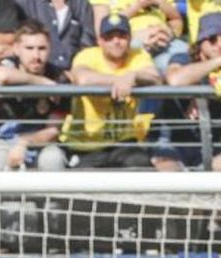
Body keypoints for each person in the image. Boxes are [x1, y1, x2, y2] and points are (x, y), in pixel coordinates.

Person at [59, 13, 162, 169]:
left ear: (130, 38)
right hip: (86, 145)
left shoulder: (138, 55)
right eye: (109, 37)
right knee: (80, 188)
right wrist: (119, 80)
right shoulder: (87, 55)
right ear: (100, 41)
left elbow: (156, 78)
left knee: (142, 169)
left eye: (121, 36)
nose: (116, 41)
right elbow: (82, 79)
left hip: (124, 142)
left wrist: (133, 75)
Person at [0, 19, 69, 170]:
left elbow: (53, 130)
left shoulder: (59, 78)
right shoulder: (8, 65)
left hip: (39, 140)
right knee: (0, 160)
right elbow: (1, 76)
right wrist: (41, 82)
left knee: (53, 159)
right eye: (29, 48)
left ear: (50, 49)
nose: (36, 55)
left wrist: (23, 143)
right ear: (16, 49)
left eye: (42, 48)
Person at [164, 12, 221, 170]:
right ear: (201, 41)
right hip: (178, 144)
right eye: (212, 39)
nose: (219, 44)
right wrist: (217, 61)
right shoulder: (183, 58)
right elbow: (175, 80)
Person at [14, 0, 94, 71]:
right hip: (40, 72)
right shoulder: (25, 3)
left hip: (72, 75)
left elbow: (87, 44)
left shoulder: (81, 4)